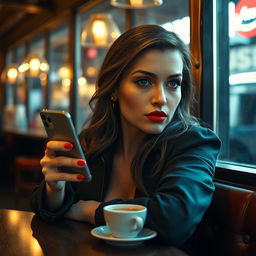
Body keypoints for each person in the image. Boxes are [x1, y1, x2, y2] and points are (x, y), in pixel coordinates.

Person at [31, 24, 221, 249]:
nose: (161, 98)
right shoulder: (93, 141)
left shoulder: (195, 142)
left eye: (173, 83)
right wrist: (56, 189)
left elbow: (174, 220)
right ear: (113, 88)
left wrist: (91, 210)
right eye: (144, 81)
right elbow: (48, 208)